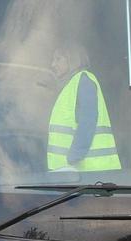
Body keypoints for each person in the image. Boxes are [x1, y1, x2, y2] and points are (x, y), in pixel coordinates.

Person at [47, 43, 122, 171]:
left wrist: (74, 156)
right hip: (72, 173)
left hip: (91, 174)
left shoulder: (84, 80)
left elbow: (88, 120)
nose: (53, 65)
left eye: (58, 59)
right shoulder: (72, 84)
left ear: (72, 59)